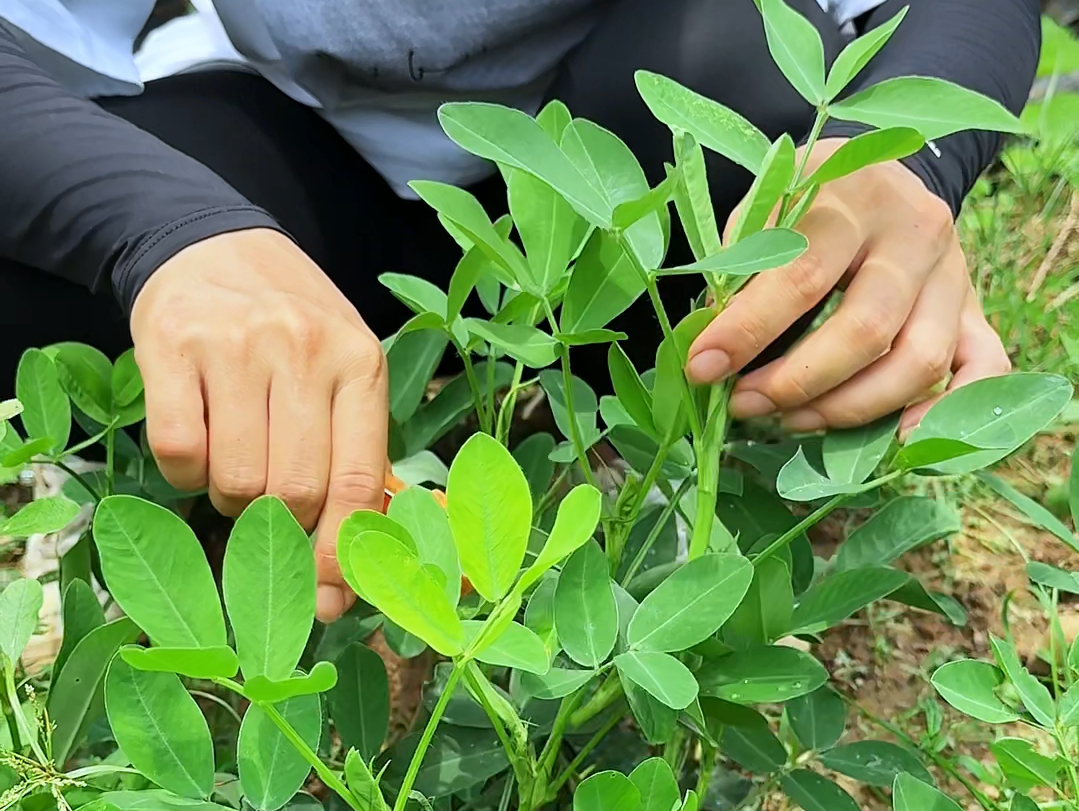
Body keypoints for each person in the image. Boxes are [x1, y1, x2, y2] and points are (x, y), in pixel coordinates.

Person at [0, 0, 1038, 621]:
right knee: (45, 247)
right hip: (284, 126)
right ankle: (148, 481)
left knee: (754, 103)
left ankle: (657, 459)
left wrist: (909, 170)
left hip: (634, 120)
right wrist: (168, 231)